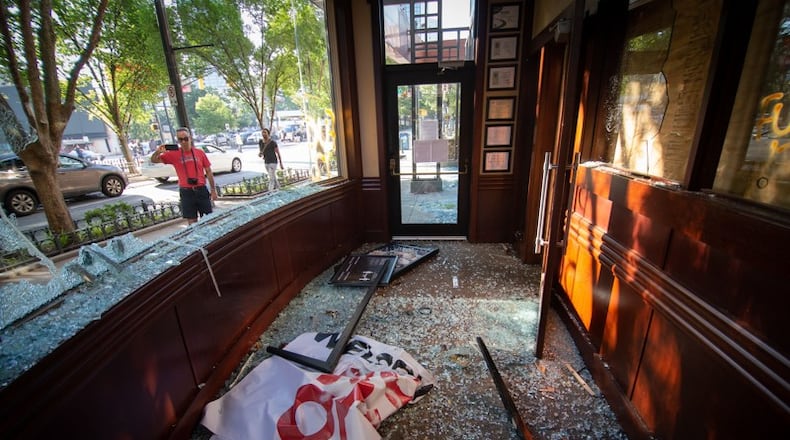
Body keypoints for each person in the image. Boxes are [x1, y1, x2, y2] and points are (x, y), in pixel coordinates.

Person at [151, 127, 218, 224]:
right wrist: (158, 152)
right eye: (180, 139)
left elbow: (208, 171)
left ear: (190, 138)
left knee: (209, 220)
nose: (183, 142)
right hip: (186, 192)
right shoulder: (174, 154)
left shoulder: (200, 153)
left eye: (185, 139)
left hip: (201, 189)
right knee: (192, 222)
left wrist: (213, 189)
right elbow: (154, 160)